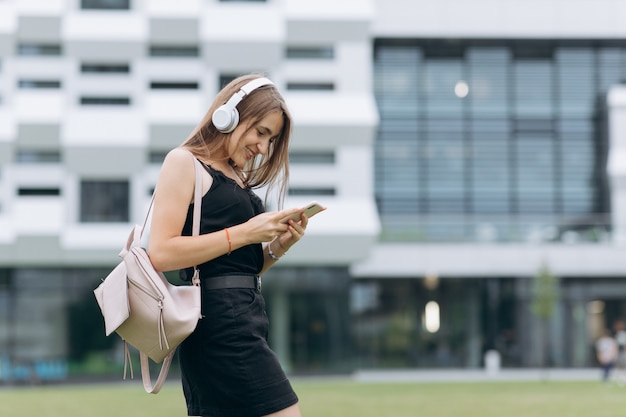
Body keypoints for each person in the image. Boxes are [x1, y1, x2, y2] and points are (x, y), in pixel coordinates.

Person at [148, 74, 308, 417]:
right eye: (261, 132)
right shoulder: (184, 162)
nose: (263, 148)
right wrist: (247, 232)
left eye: (272, 139)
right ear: (229, 114)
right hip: (219, 324)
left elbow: (236, 266)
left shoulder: (237, 176)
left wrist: (278, 246)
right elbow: (160, 253)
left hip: (246, 314)